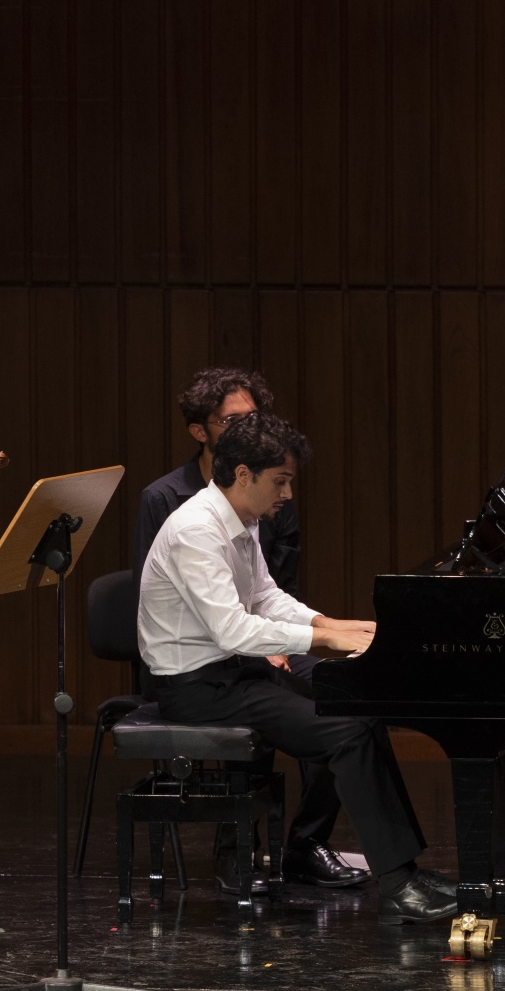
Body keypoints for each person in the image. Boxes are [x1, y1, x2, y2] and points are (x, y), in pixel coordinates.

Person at [136, 412, 458, 924]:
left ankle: (386, 865)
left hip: (234, 672)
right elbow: (232, 629)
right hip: (197, 688)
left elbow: (265, 595)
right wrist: (324, 638)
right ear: (244, 475)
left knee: (357, 700)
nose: (287, 493)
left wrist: (330, 622)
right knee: (346, 733)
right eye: (280, 481)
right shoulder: (195, 530)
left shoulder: (240, 518)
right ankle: (399, 885)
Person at [132, 369, 363, 894]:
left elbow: (271, 588)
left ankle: (306, 845)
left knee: (344, 695)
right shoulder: (175, 503)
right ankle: (236, 849)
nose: (247, 428)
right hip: (207, 660)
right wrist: (289, 642)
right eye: (232, 421)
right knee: (307, 716)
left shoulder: (261, 496)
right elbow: (176, 608)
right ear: (202, 432)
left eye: (254, 418)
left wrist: (327, 626)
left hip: (257, 640)